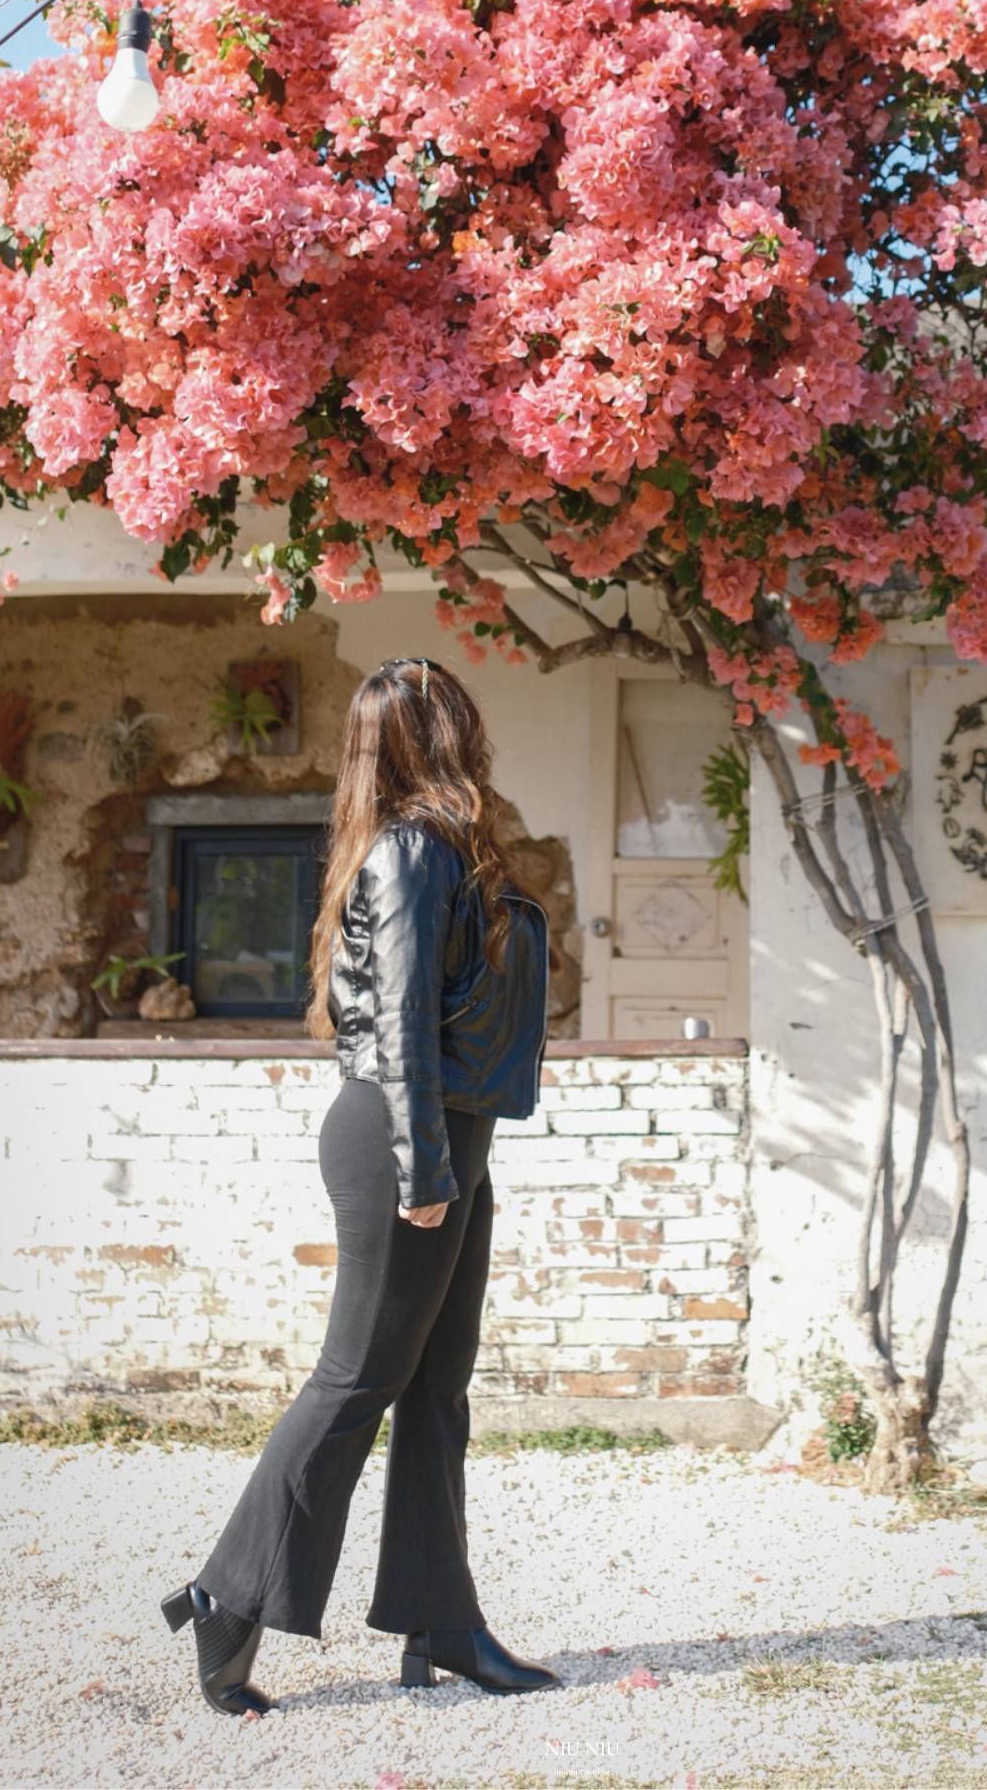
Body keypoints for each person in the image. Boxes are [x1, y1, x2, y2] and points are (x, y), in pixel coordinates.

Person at [161, 655, 559, 1715]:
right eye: (456, 711)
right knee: (354, 1383)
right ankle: (226, 1599)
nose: (473, 727)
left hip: (443, 1137)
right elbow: (398, 1021)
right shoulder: (414, 850)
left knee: (437, 1387)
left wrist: (451, 1162)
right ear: (440, 733)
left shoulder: (429, 846)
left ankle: (443, 1620)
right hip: (404, 1135)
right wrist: (425, 1168)